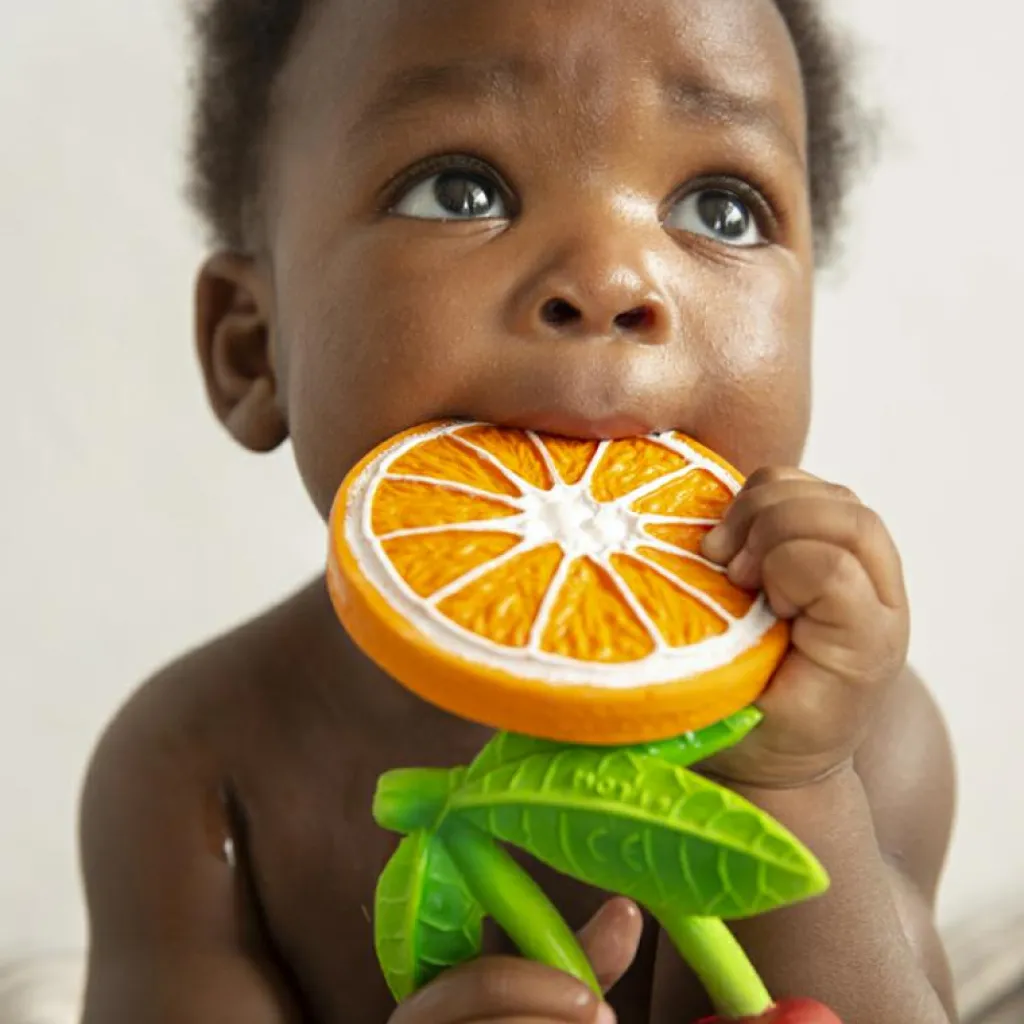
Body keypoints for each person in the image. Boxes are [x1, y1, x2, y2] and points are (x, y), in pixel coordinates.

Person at [77, 0, 958, 1021]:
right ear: (251, 348)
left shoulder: (866, 734)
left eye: (719, 208)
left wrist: (794, 785)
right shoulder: (194, 765)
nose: (607, 279)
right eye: (461, 190)